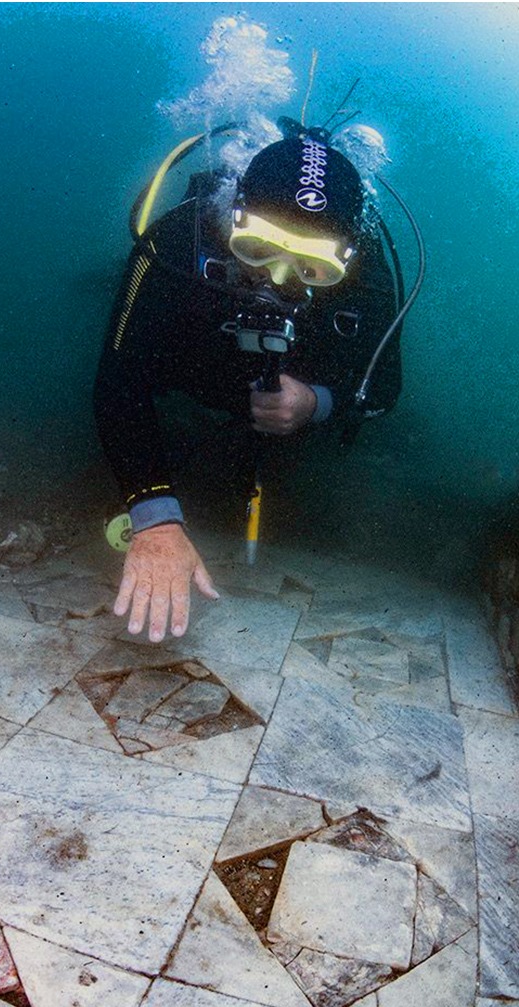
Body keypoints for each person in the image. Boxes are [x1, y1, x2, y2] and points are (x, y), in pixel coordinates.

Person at [94, 120, 409, 642]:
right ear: (231, 216)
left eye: (312, 268)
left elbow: (385, 389)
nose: (277, 280)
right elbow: (119, 380)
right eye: (258, 248)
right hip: (192, 379)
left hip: (289, 423)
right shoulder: (177, 240)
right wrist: (155, 518)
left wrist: (316, 403)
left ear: (347, 259)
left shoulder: (370, 279)